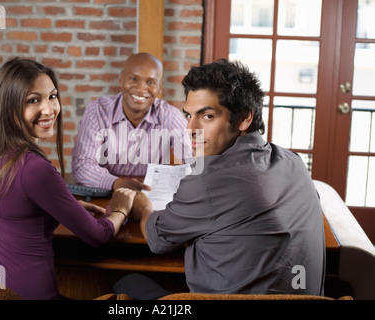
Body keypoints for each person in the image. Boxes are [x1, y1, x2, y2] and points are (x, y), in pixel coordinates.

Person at [115, 59, 325, 299]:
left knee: (128, 283)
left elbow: (158, 239)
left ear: (244, 119)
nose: (190, 129)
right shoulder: (294, 162)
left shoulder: (208, 181)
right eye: (188, 115)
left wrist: (143, 208)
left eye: (207, 116)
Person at [0, 58, 136, 300]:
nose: (49, 109)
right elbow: (97, 235)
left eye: (52, 96)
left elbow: (18, 211)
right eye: (34, 100)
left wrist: (64, 207)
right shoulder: (34, 168)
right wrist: (120, 210)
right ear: (9, 108)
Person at [72, 52, 191, 191]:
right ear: (122, 78)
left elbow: (197, 163)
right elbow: (81, 166)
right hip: (106, 193)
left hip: (150, 195)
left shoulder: (171, 117)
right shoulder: (98, 111)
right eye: (134, 79)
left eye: (150, 82)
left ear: (159, 87)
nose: (141, 89)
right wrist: (117, 184)